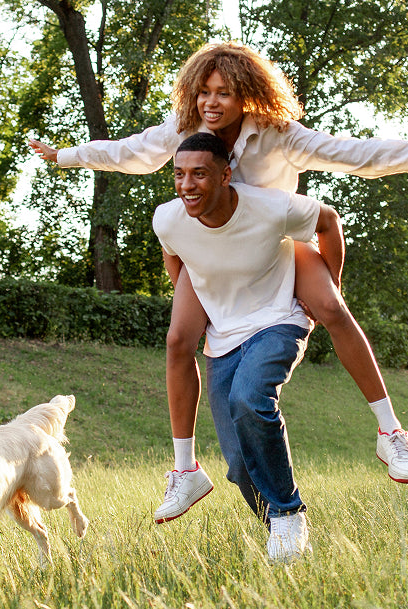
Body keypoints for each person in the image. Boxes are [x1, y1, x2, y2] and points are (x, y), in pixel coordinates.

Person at [28, 42, 408, 524]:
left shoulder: (278, 134)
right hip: (214, 247)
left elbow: (355, 154)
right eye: (204, 92)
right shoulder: (184, 130)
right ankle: (185, 470)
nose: (211, 103)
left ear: (248, 96)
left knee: (333, 309)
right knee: (177, 340)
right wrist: (64, 155)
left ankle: (390, 433)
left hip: (276, 243)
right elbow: (130, 151)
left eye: (225, 94)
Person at [155, 132, 339, 561]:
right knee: (239, 466)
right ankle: (281, 527)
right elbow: (176, 259)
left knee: (250, 399)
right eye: (179, 175)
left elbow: (328, 221)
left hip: (279, 321)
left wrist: (331, 284)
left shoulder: (267, 207)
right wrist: (202, 305)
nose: (187, 185)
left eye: (199, 174)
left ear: (226, 174)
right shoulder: (168, 219)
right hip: (223, 339)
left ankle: (290, 513)